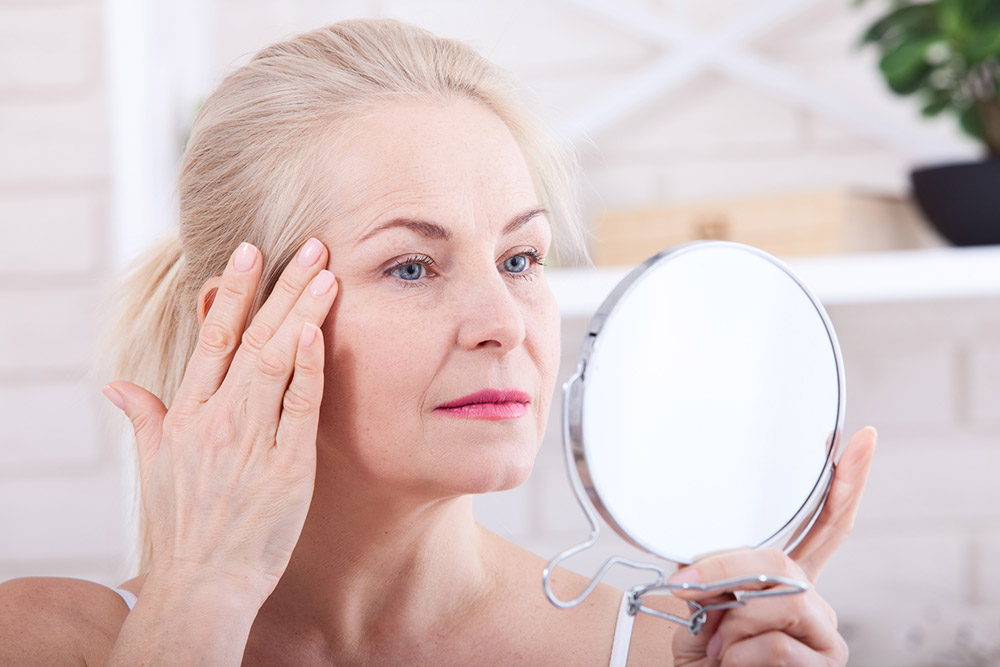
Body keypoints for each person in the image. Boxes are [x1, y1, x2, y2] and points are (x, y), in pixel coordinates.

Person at [0, 18, 876, 665]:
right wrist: (199, 604)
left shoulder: (664, 653)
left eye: (521, 257)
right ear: (241, 326)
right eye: (413, 266)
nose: (504, 322)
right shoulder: (51, 640)